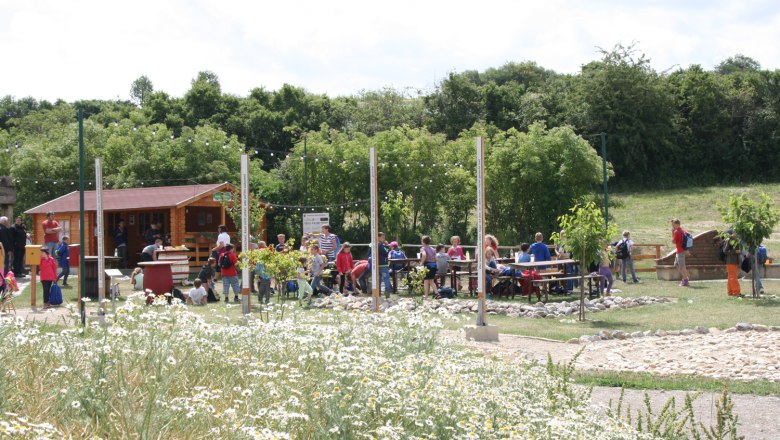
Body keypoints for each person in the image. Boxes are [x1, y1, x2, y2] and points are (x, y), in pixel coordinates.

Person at [671, 219, 691, 287]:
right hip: (680, 250)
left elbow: (673, 241)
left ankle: (685, 280)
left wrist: (672, 233)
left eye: (673, 225)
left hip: (680, 251)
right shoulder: (682, 230)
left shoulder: (677, 232)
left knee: (682, 266)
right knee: (676, 264)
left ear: (677, 224)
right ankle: (685, 278)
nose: (672, 226)